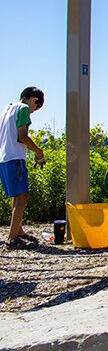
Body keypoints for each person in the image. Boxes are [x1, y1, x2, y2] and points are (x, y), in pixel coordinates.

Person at [0, 87, 45, 249]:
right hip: (15, 157)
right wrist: (39, 152)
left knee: (16, 197)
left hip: (3, 158)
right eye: (36, 107)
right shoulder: (24, 108)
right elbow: (22, 135)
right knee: (23, 196)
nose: (33, 111)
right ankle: (12, 238)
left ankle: (18, 231)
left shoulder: (7, 109)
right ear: (33, 100)